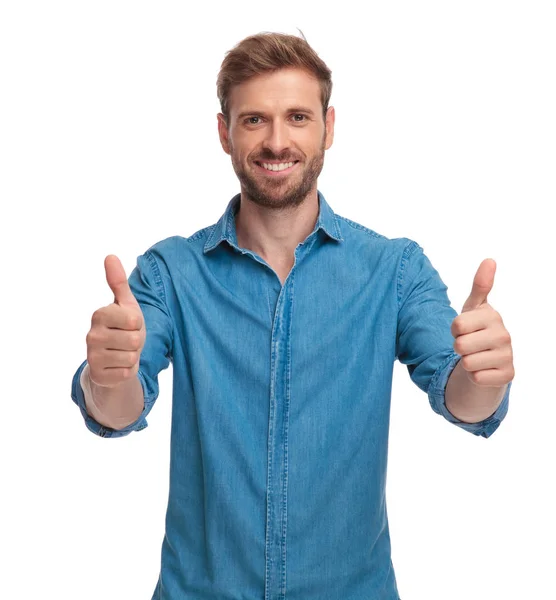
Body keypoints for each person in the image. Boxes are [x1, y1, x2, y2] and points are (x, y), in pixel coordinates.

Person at [71, 31, 515, 600]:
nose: (277, 141)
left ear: (329, 127)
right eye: (254, 120)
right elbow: (116, 408)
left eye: (298, 117)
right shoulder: (170, 272)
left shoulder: (394, 269)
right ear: (223, 133)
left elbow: (462, 399)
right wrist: (103, 376)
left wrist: (484, 377)